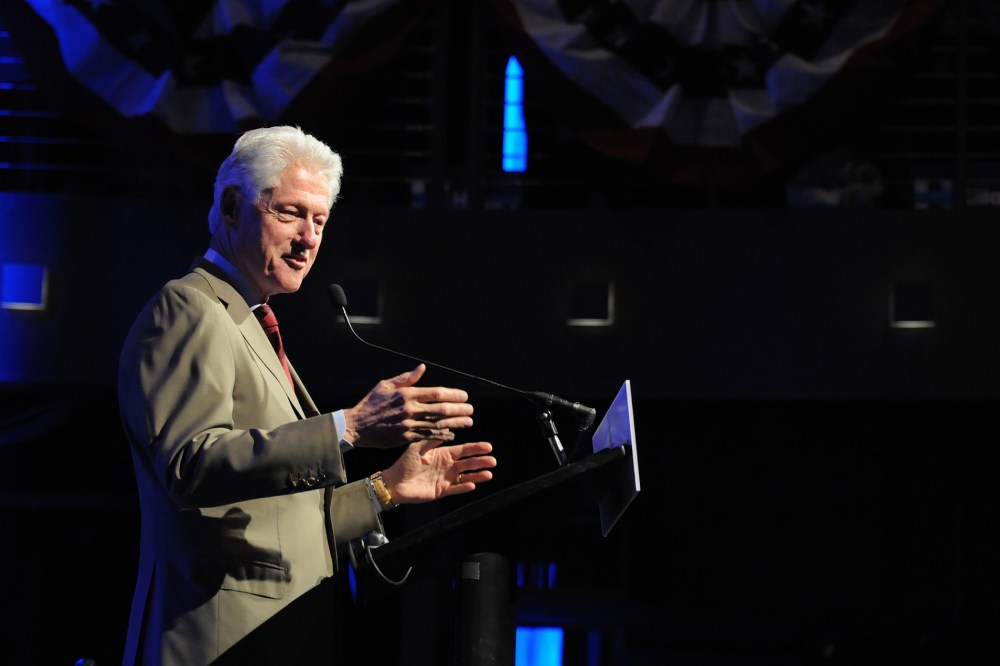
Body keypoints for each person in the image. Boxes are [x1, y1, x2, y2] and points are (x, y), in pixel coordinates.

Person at [117, 125, 497, 666]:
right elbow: (190, 464)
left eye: (320, 220)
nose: (309, 238)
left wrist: (385, 490)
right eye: (291, 213)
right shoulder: (189, 308)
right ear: (230, 208)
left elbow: (282, 521)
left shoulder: (249, 323)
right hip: (215, 639)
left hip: (277, 635)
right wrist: (349, 428)